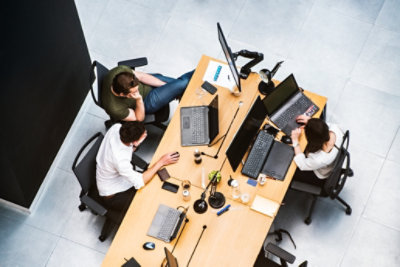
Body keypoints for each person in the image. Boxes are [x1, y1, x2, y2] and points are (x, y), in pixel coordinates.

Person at [96, 121, 180, 214]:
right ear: (134, 141)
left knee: (156, 179)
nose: (146, 133)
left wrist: (135, 144)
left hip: (119, 177)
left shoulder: (117, 127)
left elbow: (128, 148)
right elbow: (140, 182)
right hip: (115, 195)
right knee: (152, 201)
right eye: (144, 135)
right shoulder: (120, 160)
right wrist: (162, 161)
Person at [102, 65, 194, 122]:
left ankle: (205, 72)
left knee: (182, 84)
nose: (137, 91)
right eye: (135, 92)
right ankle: (206, 74)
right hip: (146, 102)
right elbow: (139, 118)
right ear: (122, 94)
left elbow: (141, 77)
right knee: (184, 83)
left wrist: (166, 87)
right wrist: (139, 99)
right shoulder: (114, 108)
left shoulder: (120, 72)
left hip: (148, 83)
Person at [290, 115, 344, 187]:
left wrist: (295, 140)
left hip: (318, 174)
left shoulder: (319, 159)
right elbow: (323, 126)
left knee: (290, 167)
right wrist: (311, 122)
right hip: (329, 164)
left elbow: (302, 164)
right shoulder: (336, 130)